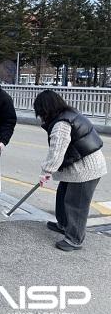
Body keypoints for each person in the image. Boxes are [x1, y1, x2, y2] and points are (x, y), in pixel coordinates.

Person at [34, 90, 107, 251]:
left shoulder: (61, 124)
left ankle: (74, 239)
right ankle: (64, 224)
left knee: (76, 204)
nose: (40, 116)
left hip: (86, 170)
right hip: (76, 166)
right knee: (63, 195)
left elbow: (57, 152)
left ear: (46, 109)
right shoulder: (68, 114)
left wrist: (46, 172)